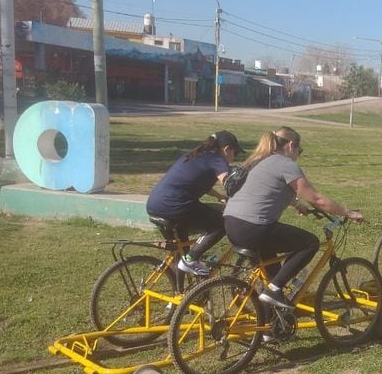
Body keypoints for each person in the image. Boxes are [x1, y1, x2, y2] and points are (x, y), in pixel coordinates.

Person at [223, 126, 363, 309]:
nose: (298, 154)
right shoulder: (286, 164)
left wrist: (298, 205)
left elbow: (271, 189)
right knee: (309, 243)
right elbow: (317, 199)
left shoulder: (261, 160)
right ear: (290, 145)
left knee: (273, 274)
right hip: (254, 228)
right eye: (300, 150)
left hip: (232, 224)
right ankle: (274, 289)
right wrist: (348, 212)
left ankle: (268, 328)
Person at [146, 130, 244, 276]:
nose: (233, 159)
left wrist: (219, 196)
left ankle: (180, 293)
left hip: (155, 204)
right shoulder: (217, 159)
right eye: (235, 154)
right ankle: (191, 260)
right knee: (221, 224)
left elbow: (195, 181)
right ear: (227, 149)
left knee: (181, 253)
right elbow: (229, 182)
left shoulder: (195, 154)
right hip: (175, 206)